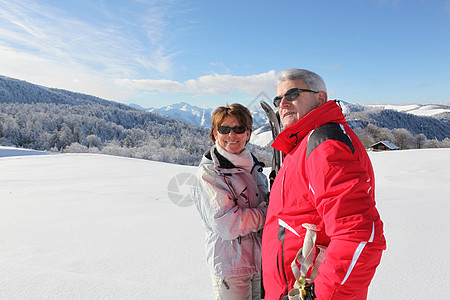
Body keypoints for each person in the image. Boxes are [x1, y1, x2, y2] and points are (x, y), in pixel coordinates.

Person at [261, 69, 386, 299]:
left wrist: (323, 294)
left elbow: (358, 235)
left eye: (293, 94)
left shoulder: (324, 145)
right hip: (288, 287)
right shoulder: (303, 144)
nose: (283, 104)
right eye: (279, 99)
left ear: (321, 98)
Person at [192, 103, 268, 300]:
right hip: (230, 266)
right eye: (224, 129)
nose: (231, 135)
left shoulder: (253, 165)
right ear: (215, 134)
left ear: (248, 133)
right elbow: (227, 224)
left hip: (259, 261)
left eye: (238, 129)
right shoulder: (210, 173)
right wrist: (267, 214)